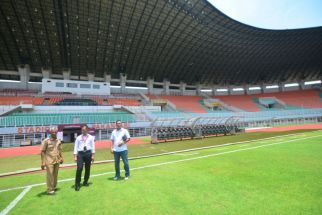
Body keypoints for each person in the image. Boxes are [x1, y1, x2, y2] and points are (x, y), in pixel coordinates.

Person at [40, 127, 64, 195]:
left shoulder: (58, 141)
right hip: (49, 160)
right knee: (50, 174)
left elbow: (59, 150)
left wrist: (61, 158)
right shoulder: (46, 141)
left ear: (57, 132)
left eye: (55, 132)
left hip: (57, 160)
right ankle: (50, 190)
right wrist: (43, 162)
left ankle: (53, 187)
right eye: (53, 132)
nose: (54, 133)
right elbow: (42, 151)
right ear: (50, 133)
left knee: (55, 175)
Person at [74, 125, 95, 191]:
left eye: (85, 129)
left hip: (88, 153)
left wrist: (93, 155)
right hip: (80, 154)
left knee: (87, 168)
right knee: (79, 168)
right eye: (82, 129)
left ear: (87, 130)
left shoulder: (91, 137)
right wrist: (75, 156)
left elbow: (93, 146)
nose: (83, 131)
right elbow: (75, 147)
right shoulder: (78, 138)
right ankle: (77, 184)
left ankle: (85, 182)